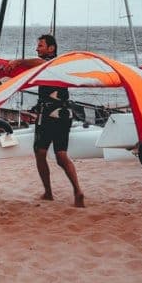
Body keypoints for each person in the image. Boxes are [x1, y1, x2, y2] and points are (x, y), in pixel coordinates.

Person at [32, 34, 85, 207]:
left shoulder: (50, 63)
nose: (37, 48)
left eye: (40, 45)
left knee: (40, 152)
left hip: (49, 114)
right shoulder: (61, 64)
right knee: (61, 155)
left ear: (51, 48)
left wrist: (17, 62)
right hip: (64, 114)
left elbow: (37, 63)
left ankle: (48, 192)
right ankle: (77, 191)